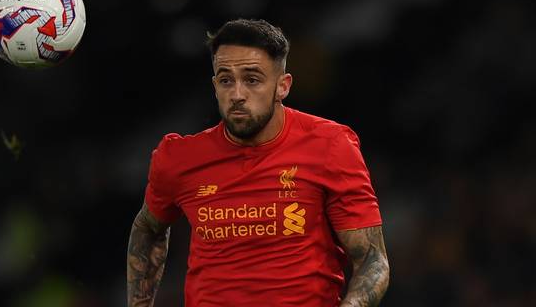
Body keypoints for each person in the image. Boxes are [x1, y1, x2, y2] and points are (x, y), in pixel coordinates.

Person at [127, 19, 389, 306]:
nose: (237, 95)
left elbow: (372, 261)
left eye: (252, 80)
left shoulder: (330, 145)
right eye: (226, 80)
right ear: (215, 86)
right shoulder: (179, 157)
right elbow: (148, 228)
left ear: (282, 86)